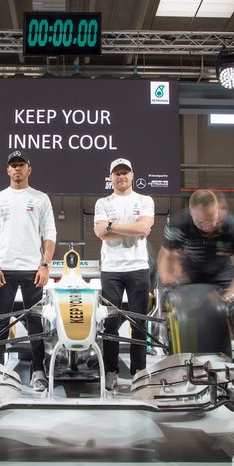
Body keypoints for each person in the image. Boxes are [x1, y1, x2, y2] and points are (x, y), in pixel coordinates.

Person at [0, 150, 57, 391]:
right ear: (7, 170)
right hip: (4, 268)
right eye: (13, 165)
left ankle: (38, 371)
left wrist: (45, 265)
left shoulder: (40, 198)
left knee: (35, 323)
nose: (17, 169)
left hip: (32, 270)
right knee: (2, 322)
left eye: (21, 165)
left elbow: (50, 235)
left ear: (29, 169)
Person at [158, 189, 234, 364]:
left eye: (212, 220)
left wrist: (231, 297)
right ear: (191, 214)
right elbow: (165, 256)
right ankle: (178, 367)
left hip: (224, 276)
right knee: (181, 321)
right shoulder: (178, 224)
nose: (208, 226)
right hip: (192, 277)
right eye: (201, 222)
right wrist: (167, 279)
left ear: (218, 210)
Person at [93, 158, 155, 390]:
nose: (121, 176)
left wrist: (112, 226)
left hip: (138, 267)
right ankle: (111, 371)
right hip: (111, 270)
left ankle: (139, 372)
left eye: (125, 173)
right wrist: (130, 228)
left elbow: (143, 228)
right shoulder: (102, 202)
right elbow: (101, 233)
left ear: (132, 175)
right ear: (110, 177)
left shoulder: (145, 200)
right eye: (116, 173)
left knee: (139, 322)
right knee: (110, 324)